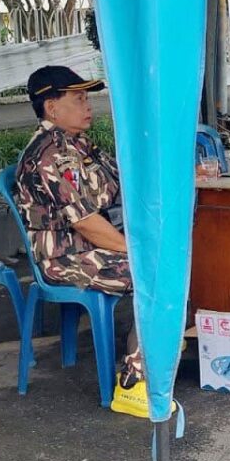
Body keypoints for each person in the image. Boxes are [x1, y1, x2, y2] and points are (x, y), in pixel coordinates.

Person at [14, 65, 150, 419]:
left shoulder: (78, 144)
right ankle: (135, 384)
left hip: (92, 246)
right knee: (155, 275)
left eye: (87, 98)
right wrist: (138, 251)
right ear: (51, 107)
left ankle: (156, 350)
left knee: (178, 262)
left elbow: (124, 181)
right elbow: (87, 225)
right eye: (78, 99)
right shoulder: (48, 155)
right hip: (64, 256)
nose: (88, 106)